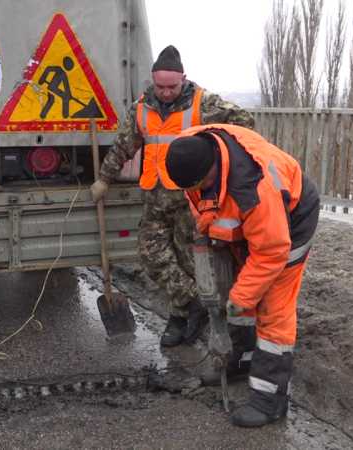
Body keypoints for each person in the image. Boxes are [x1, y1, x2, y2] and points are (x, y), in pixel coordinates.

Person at [90, 45, 254, 348]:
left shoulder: (203, 103)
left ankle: (182, 320)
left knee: (189, 259)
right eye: (160, 86)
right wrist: (103, 179)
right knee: (151, 255)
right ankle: (192, 306)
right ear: (153, 81)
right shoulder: (142, 109)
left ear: (184, 80)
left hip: (190, 199)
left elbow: (244, 122)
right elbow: (124, 146)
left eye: (172, 86)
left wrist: (218, 158)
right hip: (155, 195)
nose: (166, 93)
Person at [162, 124, 320, 427]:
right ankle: (240, 360)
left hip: (289, 223)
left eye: (199, 184)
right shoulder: (188, 149)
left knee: (271, 305)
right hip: (248, 223)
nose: (194, 191)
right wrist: (210, 236)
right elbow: (201, 201)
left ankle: (269, 400)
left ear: (211, 168)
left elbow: (272, 252)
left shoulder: (255, 188)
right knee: (235, 290)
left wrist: (240, 298)